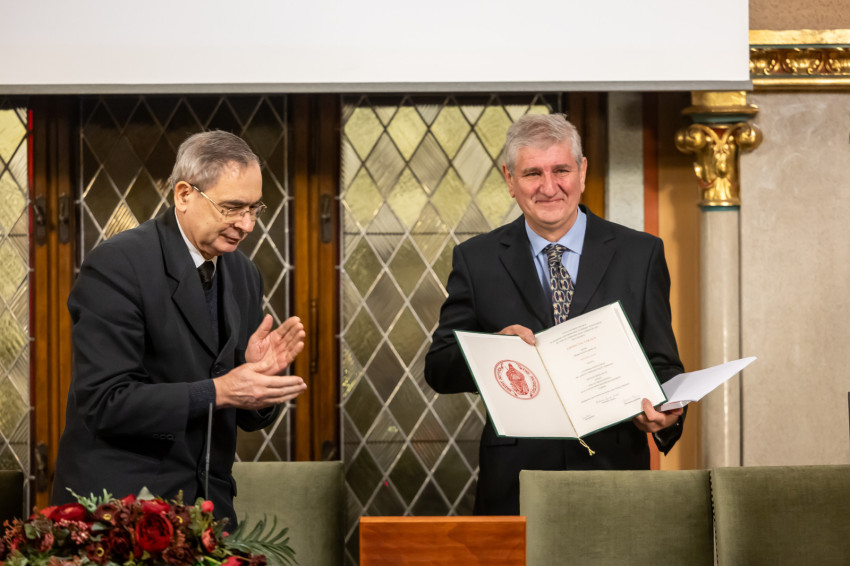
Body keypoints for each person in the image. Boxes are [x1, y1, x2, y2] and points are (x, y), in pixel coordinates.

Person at [424, 113, 685, 515]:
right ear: (510, 180)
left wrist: (666, 415)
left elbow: (663, 364)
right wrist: (493, 351)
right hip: (514, 482)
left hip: (614, 476)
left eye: (561, 170)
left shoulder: (641, 253)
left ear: (582, 172)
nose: (549, 187)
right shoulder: (477, 260)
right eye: (533, 173)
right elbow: (439, 367)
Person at [52, 131, 306, 525]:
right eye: (232, 208)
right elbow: (105, 403)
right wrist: (219, 390)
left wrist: (258, 380)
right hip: (120, 512)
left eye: (254, 209)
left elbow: (239, 411)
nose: (247, 224)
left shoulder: (244, 273)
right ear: (184, 195)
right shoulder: (118, 266)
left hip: (209, 514)